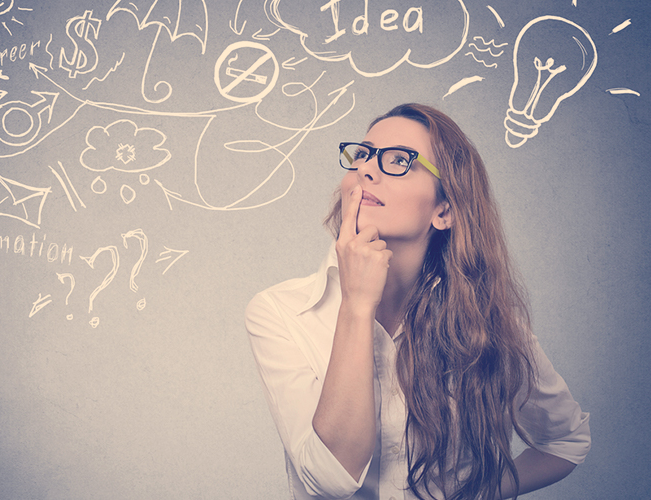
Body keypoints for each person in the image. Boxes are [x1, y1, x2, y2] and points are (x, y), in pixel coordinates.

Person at [245, 103, 590, 500]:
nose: (367, 170)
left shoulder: (489, 319)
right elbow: (330, 479)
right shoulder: (280, 312)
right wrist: (356, 307)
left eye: (399, 161)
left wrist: (476, 495)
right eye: (362, 155)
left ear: (444, 210)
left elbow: (565, 442)